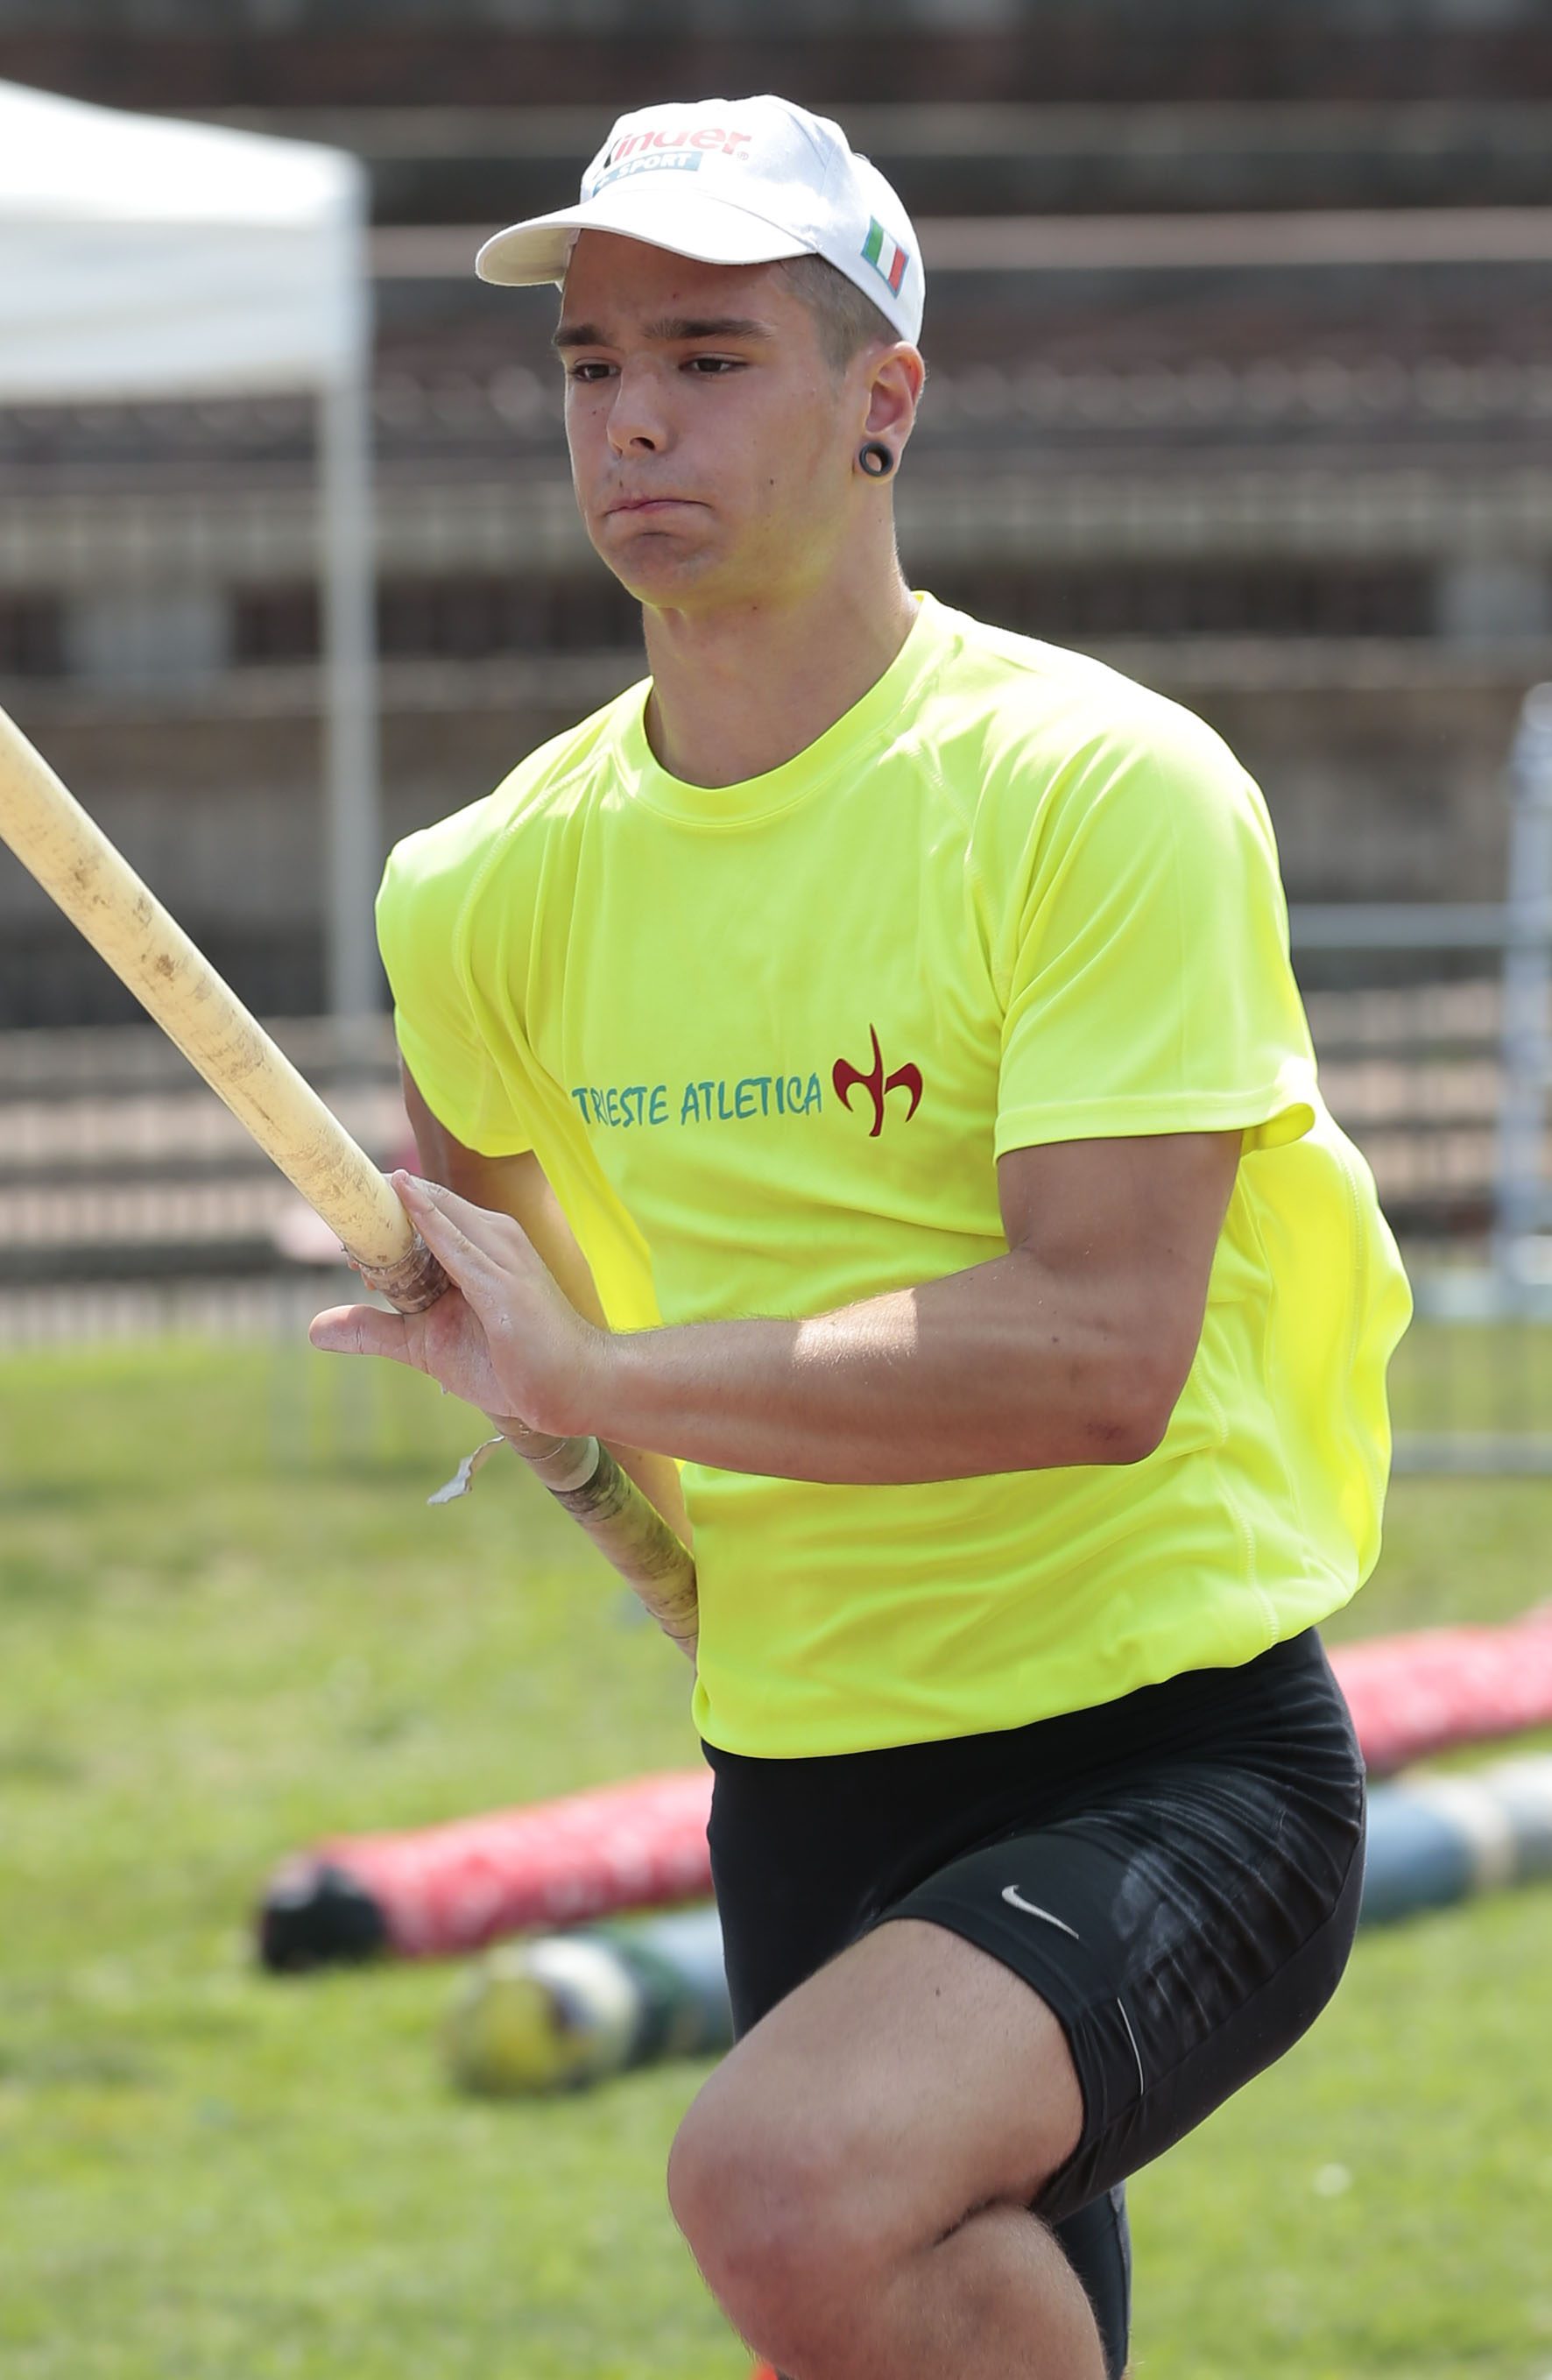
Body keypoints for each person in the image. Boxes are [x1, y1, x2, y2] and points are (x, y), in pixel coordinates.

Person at [311, 95, 1412, 2380]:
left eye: (708, 359)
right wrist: (537, 1383)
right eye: (592, 365)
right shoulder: (477, 891)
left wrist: (602, 1377)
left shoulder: (1095, 791)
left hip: (1163, 1752)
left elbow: (1099, 1353)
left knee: (783, 2184)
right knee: (884, 2294)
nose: (632, 419)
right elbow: (526, 1330)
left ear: (879, 397)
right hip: (797, 1771)